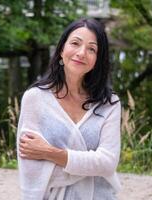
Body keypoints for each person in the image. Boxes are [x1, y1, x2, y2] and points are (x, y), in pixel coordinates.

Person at [17, 18, 122, 200]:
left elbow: (107, 163)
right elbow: (31, 169)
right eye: (75, 43)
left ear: (98, 60)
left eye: (92, 49)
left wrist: (50, 153)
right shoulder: (35, 98)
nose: (81, 53)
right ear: (61, 50)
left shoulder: (109, 103)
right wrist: (89, 166)